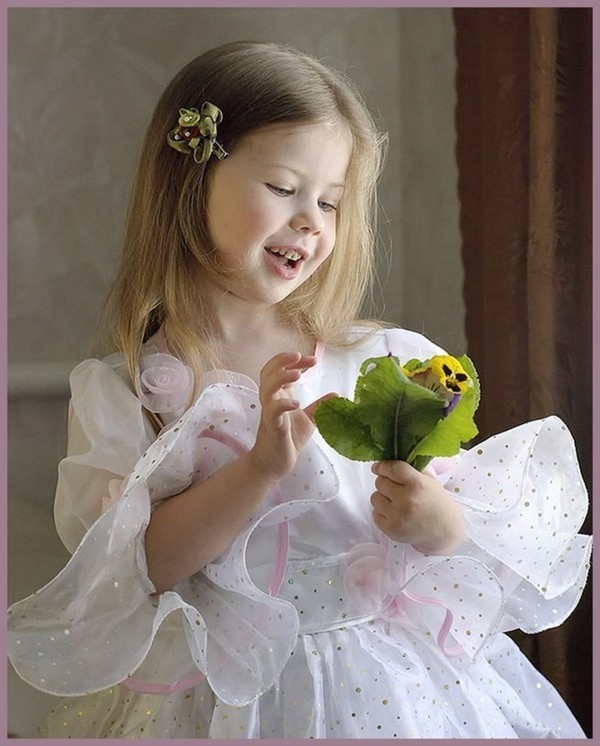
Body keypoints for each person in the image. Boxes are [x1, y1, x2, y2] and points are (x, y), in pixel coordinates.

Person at [8, 41, 591, 739]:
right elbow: (142, 570)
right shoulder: (129, 391)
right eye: (284, 188)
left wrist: (442, 523)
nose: (312, 220)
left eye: (331, 201)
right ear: (189, 179)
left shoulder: (385, 363)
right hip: (223, 698)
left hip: (392, 687)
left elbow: (467, 519)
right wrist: (258, 471)